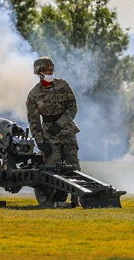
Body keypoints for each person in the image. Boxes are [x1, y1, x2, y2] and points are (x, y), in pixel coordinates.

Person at [26, 56, 80, 207]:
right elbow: (34, 121)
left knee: (73, 165)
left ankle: (77, 200)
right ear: (39, 72)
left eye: (52, 69)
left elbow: (72, 107)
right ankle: (48, 201)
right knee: (51, 168)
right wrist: (40, 143)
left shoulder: (63, 85)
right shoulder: (33, 95)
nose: (50, 72)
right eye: (47, 70)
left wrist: (60, 123)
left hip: (67, 130)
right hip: (49, 134)